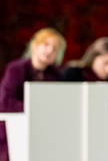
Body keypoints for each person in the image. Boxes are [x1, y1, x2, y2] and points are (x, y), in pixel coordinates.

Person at [0, 29, 66, 161]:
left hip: (42, 133)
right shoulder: (16, 69)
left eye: (55, 49)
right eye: (46, 45)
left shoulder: (56, 75)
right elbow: (5, 102)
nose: (50, 51)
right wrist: (36, 109)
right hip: (12, 133)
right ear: (35, 45)